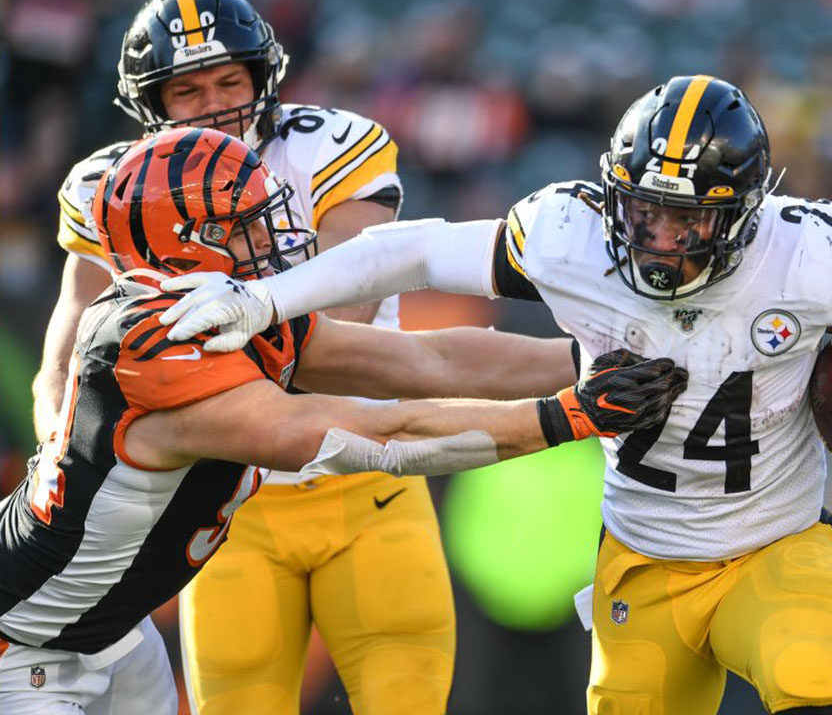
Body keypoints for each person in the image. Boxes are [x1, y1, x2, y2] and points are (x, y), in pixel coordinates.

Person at [161, 75, 832, 714]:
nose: (657, 240)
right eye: (643, 213)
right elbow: (408, 252)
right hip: (642, 556)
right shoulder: (568, 238)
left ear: (744, 217)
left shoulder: (811, 253)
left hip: (775, 543)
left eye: (686, 222)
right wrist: (272, 299)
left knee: (806, 678)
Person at [0, 127, 687, 715]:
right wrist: (569, 416)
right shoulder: (153, 350)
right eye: (246, 225)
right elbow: (373, 436)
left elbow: (424, 361)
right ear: (189, 241)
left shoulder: (215, 314)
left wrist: (586, 357)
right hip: (25, 643)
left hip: (113, 634)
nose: (272, 238)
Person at [30, 0, 471, 711]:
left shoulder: (329, 148)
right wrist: (63, 452)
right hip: (224, 505)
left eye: (228, 83)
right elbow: (66, 347)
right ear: (152, 102)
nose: (212, 105)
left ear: (262, 78)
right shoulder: (107, 186)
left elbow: (335, 327)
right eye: (187, 89)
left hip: (367, 479)